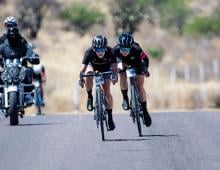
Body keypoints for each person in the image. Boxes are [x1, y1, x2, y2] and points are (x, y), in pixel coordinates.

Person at [79, 35, 118, 131]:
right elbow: (82, 69)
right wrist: (81, 78)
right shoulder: (89, 53)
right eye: (97, 50)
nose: (100, 52)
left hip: (105, 68)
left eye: (102, 50)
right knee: (88, 73)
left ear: (105, 48)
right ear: (93, 49)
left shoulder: (111, 51)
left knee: (107, 91)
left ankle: (110, 117)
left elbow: (114, 67)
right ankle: (90, 96)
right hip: (92, 67)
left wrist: (115, 76)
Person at [112, 33, 152, 127]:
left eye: (126, 49)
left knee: (140, 85)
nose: (124, 51)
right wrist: (114, 74)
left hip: (137, 64)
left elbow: (145, 59)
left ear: (131, 47)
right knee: (122, 75)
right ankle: (125, 98)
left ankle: (145, 111)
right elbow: (113, 64)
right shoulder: (115, 50)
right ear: (119, 46)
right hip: (123, 64)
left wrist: (145, 70)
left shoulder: (136, 49)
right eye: (122, 49)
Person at [0, 27, 39, 106]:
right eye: (11, 36)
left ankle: (28, 95)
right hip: (6, 70)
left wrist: (33, 57)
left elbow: (30, 53)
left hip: (19, 70)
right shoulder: (3, 47)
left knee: (28, 70)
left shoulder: (23, 46)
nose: (13, 38)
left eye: (14, 36)